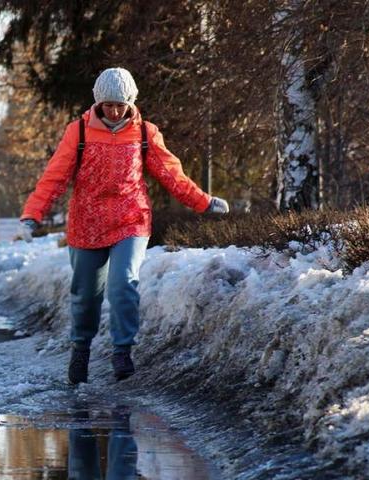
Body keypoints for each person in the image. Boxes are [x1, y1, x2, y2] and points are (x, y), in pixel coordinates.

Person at [19, 68, 229, 385]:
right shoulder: (78, 132)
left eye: (121, 105)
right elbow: (55, 176)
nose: (115, 111)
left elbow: (172, 174)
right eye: (108, 105)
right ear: (98, 103)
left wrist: (203, 201)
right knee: (85, 294)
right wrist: (33, 213)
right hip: (86, 222)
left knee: (122, 284)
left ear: (130, 103)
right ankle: (81, 350)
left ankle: (122, 351)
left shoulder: (145, 133)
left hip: (131, 219)